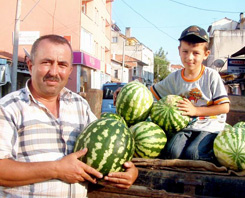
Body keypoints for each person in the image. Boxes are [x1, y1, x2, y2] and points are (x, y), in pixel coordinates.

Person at [0, 34, 138, 197]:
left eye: (62, 65)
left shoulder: (80, 105)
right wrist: (57, 169)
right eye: (46, 62)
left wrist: (130, 171)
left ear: (70, 70)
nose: (54, 71)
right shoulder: (8, 108)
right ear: (30, 65)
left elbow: (106, 147)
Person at [115, 25, 230, 163]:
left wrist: (195, 111)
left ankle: (215, 155)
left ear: (206, 54)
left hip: (210, 125)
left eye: (196, 53)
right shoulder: (174, 78)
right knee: (172, 152)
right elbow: (148, 92)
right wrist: (126, 90)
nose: (189, 57)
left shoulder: (212, 76)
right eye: (185, 51)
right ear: (179, 51)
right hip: (187, 126)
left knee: (192, 154)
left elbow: (224, 107)